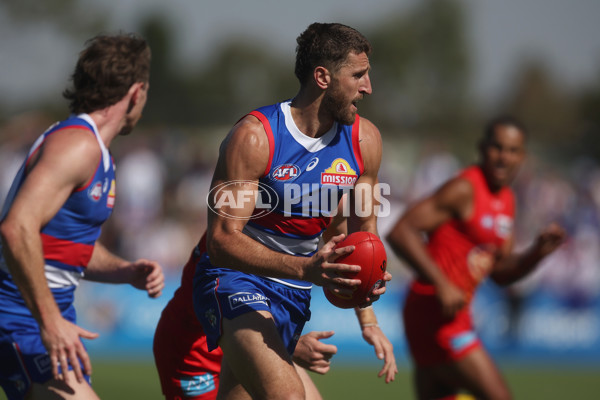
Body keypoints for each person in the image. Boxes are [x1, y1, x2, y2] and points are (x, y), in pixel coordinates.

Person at [191, 22, 397, 399]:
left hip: (295, 293)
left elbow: (362, 236)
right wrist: (305, 268)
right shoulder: (254, 137)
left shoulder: (365, 140)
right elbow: (221, 242)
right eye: (358, 75)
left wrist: (367, 314)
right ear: (322, 77)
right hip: (233, 279)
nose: (367, 87)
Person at [0, 33, 165, 400]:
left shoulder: (94, 151)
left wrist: (124, 271)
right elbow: (15, 228)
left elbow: (62, 248)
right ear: (136, 92)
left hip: (42, 315)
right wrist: (50, 321)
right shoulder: (78, 145)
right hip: (20, 314)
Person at [386, 116, 566, 400]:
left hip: (452, 314)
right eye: (497, 147)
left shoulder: (507, 199)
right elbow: (401, 231)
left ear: (522, 157)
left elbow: (500, 273)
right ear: (482, 149)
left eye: (512, 150)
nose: (503, 158)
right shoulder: (464, 189)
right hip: (435, 312)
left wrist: (536, 254)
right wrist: (442, 283)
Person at [153, 234, 339, 400]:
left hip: (249, 338)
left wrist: (366, 318)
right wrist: (291, 346)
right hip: (194, 350)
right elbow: (221, 299)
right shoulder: (228, 234)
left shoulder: (278, 228)